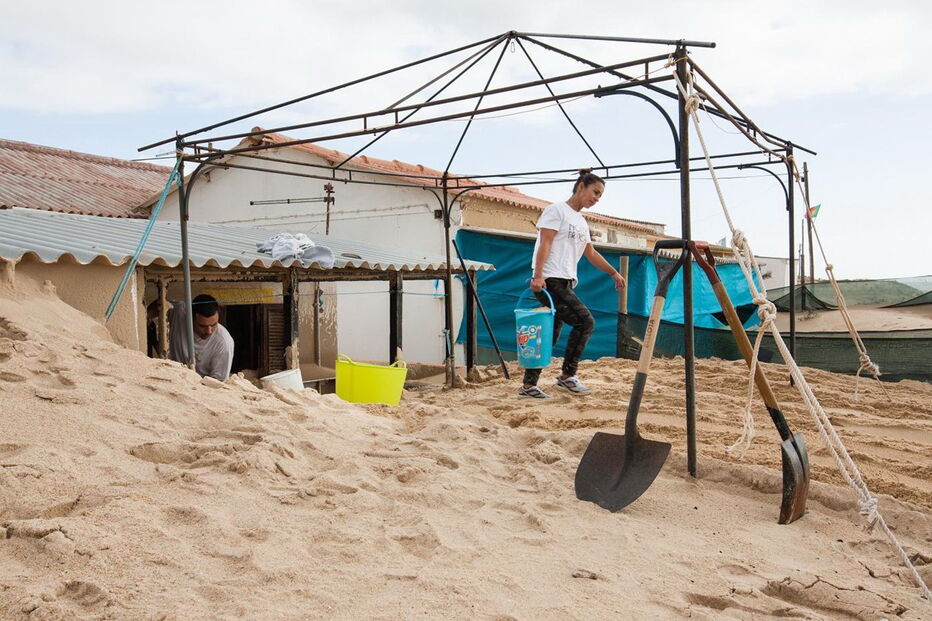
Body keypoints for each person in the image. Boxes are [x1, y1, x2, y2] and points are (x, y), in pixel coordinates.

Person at [519, 169, 626, 398]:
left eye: (600, 195)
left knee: (550, 334)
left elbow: (590, 253)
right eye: (595, 192)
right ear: (580, 187)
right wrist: (538, 275)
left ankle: (528, 386)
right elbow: (544, 243)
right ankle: (567, 376)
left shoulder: (580, 220)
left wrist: (613, 273)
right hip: (550, 280)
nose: (597, 198)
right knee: (585, 322)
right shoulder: (556, 210)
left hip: (566, 281)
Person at [168, 294, 235, 381]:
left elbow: (217, 382)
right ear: (190, 317)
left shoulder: (224, 343)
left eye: (213, 325)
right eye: (202, 326)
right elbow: (161, 304)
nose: (209, 331)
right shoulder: (178, 312)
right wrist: (148, 318)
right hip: (171, 377)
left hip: (201, 387)